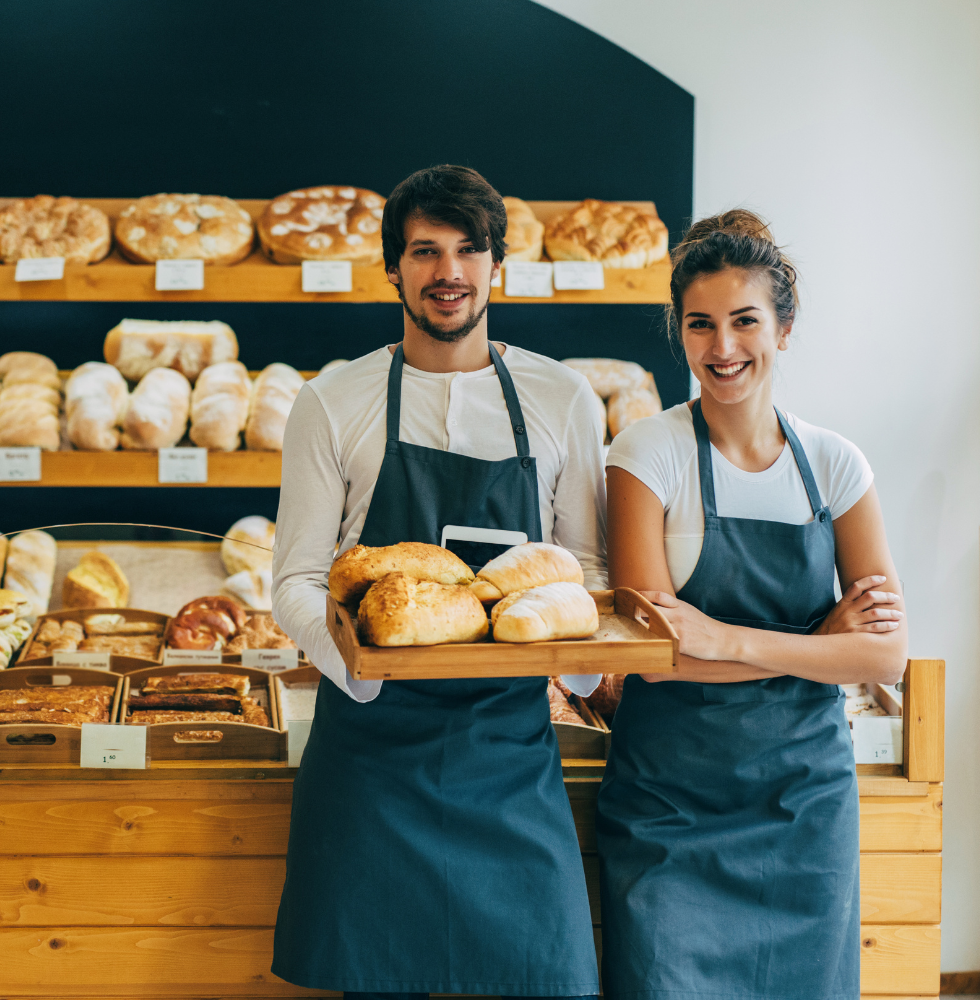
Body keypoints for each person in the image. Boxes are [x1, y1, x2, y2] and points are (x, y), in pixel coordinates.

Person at [268, 164, 606, 1000]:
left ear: (497, 265)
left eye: (468, 249)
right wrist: (368, 669)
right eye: (424, 251)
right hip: (370, 762)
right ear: (392, 268)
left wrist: (576, 668)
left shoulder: (564, 399)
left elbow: (586, 573)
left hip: (511, 755)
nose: (447, 271)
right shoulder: (331, 401)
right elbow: (297, 581)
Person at [596, 209, 907, 1000]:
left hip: (804, 809)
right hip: (669, 806)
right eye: (700, 324)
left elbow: (884, 654)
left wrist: (724, 640)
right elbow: (654, 661)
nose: (722, 346)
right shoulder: (645, 455)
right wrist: (818, 643)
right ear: (679, 332)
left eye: (745, 321)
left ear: (785, 329)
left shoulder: (836, 466)